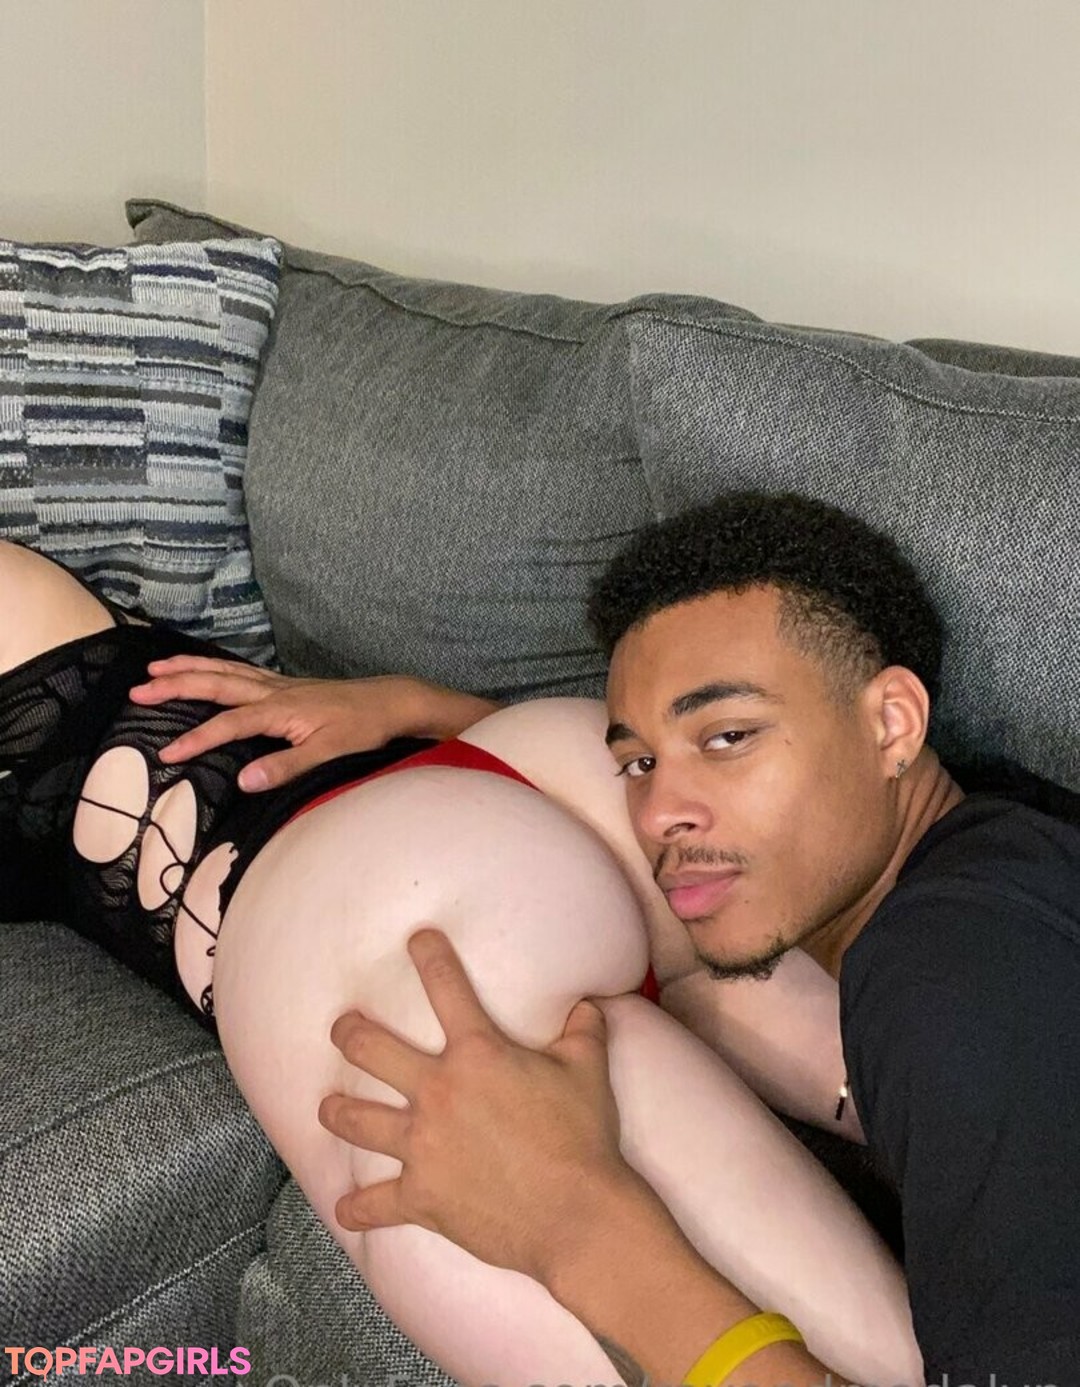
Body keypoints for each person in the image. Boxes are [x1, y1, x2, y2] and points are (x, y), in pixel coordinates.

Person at [130, 492, 1080, 1383]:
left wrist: (580, 1228)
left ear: (892, 724)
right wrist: (424, 712)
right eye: (636, 762)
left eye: (728, 736)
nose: (659, 811)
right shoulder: (1001, 860)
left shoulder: (952, 986)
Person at [0, 534, 920, 1387]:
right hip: (537, 781)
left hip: (405, 909)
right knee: (951, 1114)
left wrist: (403, 702)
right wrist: (415, 708)